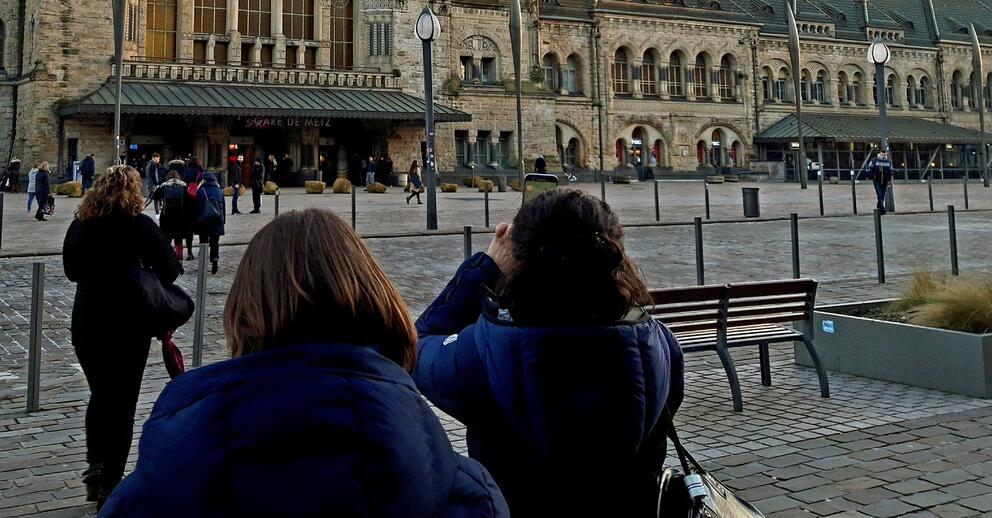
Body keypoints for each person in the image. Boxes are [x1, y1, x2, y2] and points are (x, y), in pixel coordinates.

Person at [101, 209, 508, 517]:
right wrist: (487, 270)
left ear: (244, 314)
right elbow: (425, 344)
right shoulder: (466, 492)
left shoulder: (157, 488)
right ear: (377, 301)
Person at [414, 189, 684, 516]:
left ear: (520, 260)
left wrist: (487, 268)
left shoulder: (483, 352)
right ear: (612, 255)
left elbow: (417, 346)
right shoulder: (657, 344)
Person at [62, 164, 182, 508]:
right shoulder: (139, 225)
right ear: (133, 191)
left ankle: (96, 465)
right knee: (123, 405)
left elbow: (71, 271)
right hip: (129, 324)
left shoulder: (81, 223)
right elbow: (171, 269)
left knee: (101, 395)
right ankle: (110, 484)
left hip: (88, 321)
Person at [155, 162, 197, 261]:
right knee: (179, 236)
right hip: (181, 216)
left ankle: (167, 255)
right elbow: (190, 201)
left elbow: (155, 197)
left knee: (167, 237)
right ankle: (182, 254)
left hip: (167, 216)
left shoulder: (164, 186)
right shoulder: (184, 186)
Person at [195, 171, 226, 274]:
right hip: (217, 220)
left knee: (203, 241)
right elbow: (223, 207)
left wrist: (196, 220)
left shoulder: (201, 190)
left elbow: (197, 206)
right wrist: (223, 221)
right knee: (215, 242)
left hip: (204, 220)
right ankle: (215, 258)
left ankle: (203, 263)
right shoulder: (219, 191)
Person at [870, 148, 893, 214]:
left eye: (884, 155)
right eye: (882, 155)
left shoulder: (888, 162)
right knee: (880, 194)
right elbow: (870, 168)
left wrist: (889, 180)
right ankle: (882, 209)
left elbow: (890, 171)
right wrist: (873, 176)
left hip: (884, 181)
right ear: (879, 154)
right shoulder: (874, 160)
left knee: (882, 195)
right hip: (877, 180)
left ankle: (878, 209)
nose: (883, 156)